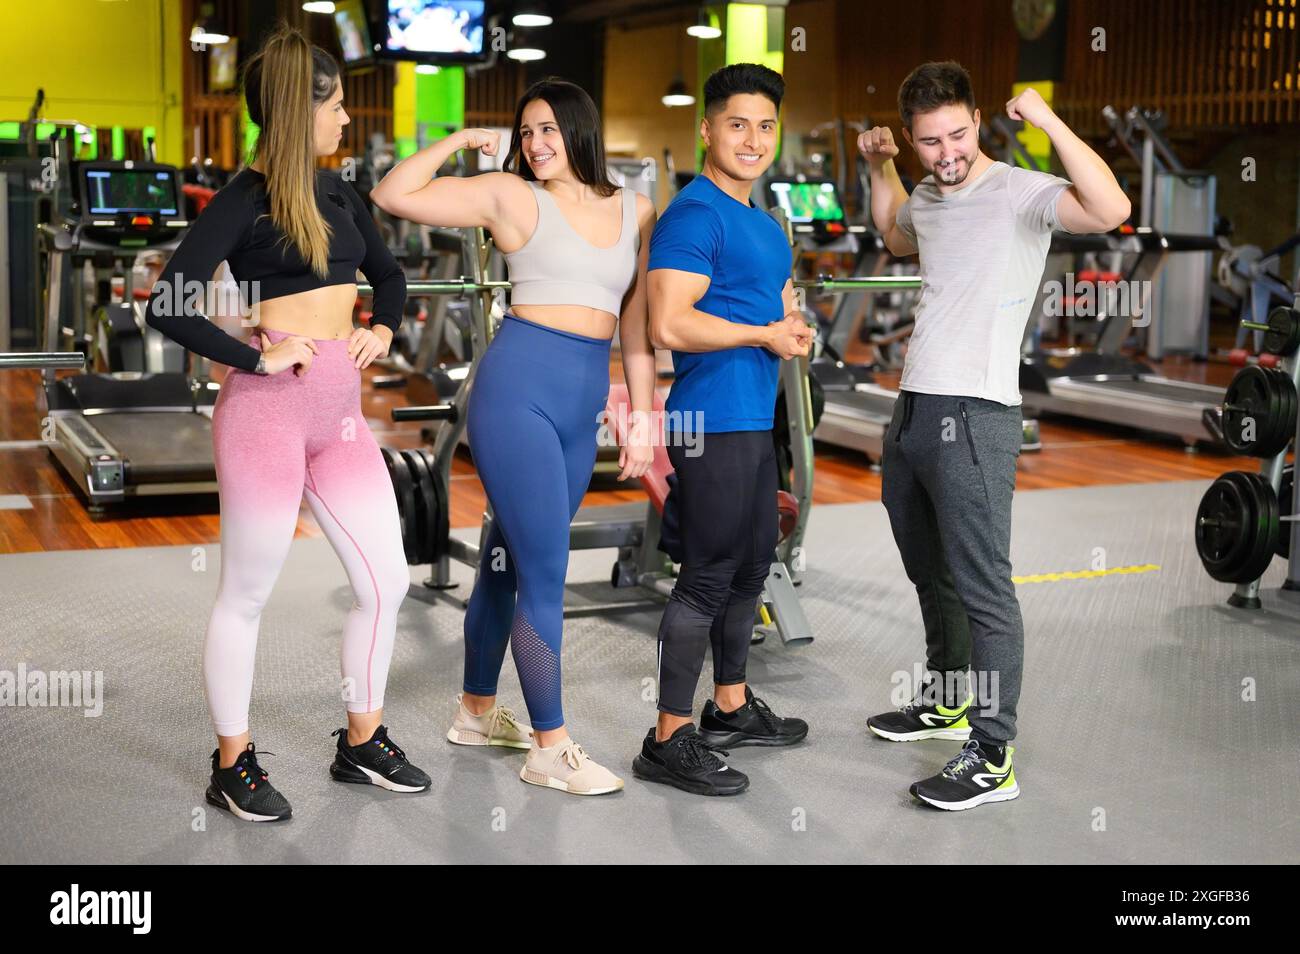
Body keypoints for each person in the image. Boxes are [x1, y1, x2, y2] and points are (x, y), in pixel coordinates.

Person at [145, 27, 432, 823]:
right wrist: (253, 356)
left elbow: (391, 272)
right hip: (266, 417)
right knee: (246, 593)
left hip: (340, 420)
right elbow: (170, 300)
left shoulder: (339, 193)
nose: (347, 120)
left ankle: (361, 742)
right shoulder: (245, 199)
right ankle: (231, 762)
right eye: (337, 105)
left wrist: (385, 325)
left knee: (388, 581)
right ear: (294, 108)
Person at [372, 78, 657, 795]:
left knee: (507, 556)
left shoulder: (636, 210)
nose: (535, 143)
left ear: (580, 130)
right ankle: (549, 745)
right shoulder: (508, 194)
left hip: (582, 400)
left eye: (550, 129)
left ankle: (474, 711)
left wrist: (643, 414)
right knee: (546, 574)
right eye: (526, 131)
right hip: (516, 394)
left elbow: (636, 324)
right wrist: (464, 142)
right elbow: (393, 193)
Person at [861, 61, 1130, 811]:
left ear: (978, 119)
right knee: (929, 569)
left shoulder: (1020, 190)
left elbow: (1110, 207)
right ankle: (947, 698)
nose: (945, 153)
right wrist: (878, 164)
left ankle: (991, 750)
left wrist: (1045, 121)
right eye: (927, 142)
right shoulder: (925, 191)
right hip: (913, 406)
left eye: (956, 134)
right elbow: (894, 234)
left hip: (976, 412)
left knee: (983, 586)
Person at [630, 63, 813, 797]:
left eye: (766, 125)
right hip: (709, 417)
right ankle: (668, 736)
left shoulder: (763, 223)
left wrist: (790, 328)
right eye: (737, 123)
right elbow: (669, 321)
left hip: (753, 413)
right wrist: (764, 333)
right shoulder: (695, 213)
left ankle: (729, 707)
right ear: (707, 129)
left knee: (750, 563)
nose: (753, 138)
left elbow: (775, 307)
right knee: (708, 572)